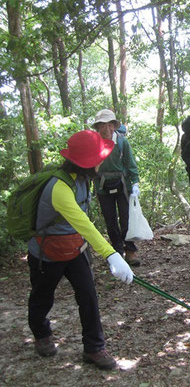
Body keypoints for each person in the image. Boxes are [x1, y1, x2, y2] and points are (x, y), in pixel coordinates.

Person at [27, 130, 134, 370]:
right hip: (47, 253)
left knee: (88, 296)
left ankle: (94, 348)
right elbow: (84, 223)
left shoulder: (84, 179)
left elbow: (83, 225)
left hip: (75, 249)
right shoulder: (59, 188)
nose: (101, 161)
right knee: (42, 297)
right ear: (85, 163)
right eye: (98, 158)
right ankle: (41, 334)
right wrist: (111, 254)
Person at [92, 109, 141, 266]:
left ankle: (131, 250)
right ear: (98, 127)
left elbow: (131, 164)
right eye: (103, 125)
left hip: (122, 184)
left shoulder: (121, 142)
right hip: (102, 185)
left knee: (126, 218)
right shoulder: (93, 143)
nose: (107, 129)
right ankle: (117, 252)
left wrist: (135, 183)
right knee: (110, 220)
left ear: (114, 125)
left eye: (110, 125)